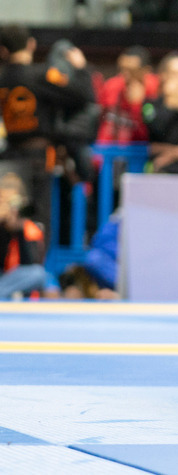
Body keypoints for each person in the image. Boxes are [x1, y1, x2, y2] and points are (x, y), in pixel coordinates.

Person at [0, 25, 94, 224]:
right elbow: (84, 95)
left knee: (11, 218)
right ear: (31, 45)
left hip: (9, 157)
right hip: (38, 158)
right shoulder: (41, 75)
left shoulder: (2, 78)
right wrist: (81, 69)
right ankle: (32, 254)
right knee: (36, 221)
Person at [0, 171, 47, 300]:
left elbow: (30, 265)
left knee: (38, 274)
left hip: (12, 280)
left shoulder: (29, 229)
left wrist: (18, 229)